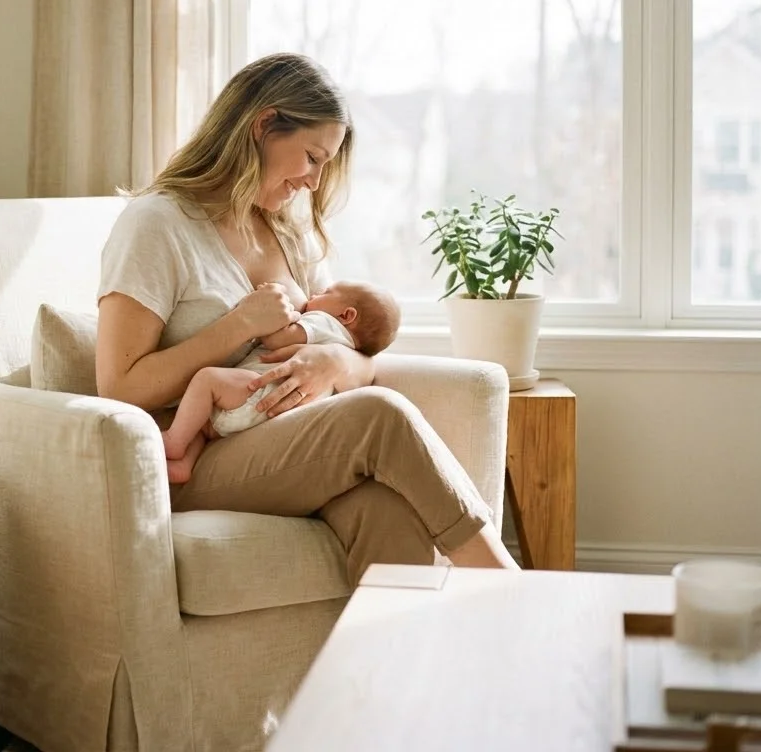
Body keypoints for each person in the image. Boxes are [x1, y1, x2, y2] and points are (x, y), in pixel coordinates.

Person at [96, 52, 519, 580]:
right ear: (264, 126)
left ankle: (385, 664)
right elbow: (116, 388)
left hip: (278, 437)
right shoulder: (157, 224)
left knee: (389, 514)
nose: (316, 182)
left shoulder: (286, 232)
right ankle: (504, 586)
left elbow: (358, 355)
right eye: (312, 157)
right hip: (188, 456)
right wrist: (238, 326)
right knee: (379, 416)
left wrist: (335, 364)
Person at [162, 280, 402, 483]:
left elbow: (277, 339)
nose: (315, 294)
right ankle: (182, 464)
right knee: (202, 422)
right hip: (275, 416)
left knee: (207, 379)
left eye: (327, 293)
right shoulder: (343, 347)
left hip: (259, 392)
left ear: (347, 315)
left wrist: (268, 309)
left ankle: (175, 441)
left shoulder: (324, 322)